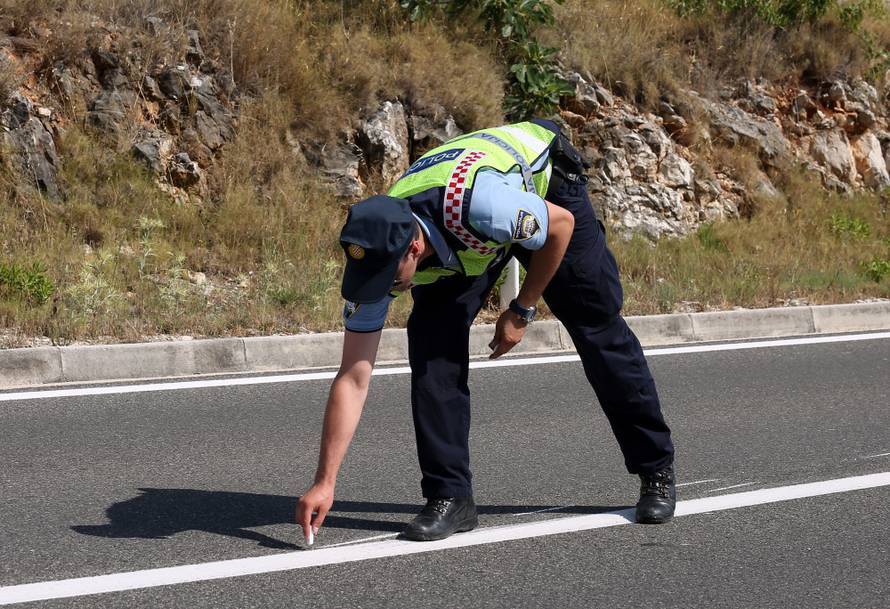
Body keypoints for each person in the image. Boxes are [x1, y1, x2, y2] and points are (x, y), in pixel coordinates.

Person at [296, 119, 675, 543]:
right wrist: (325, 481)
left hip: (543, 189)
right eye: (372, 278)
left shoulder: (480, 206)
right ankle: (450, 497)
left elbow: (559, 226)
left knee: (596, 326)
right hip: (464, 238)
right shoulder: (378, 252)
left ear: (413, 250)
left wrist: (522, 308)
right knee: (432, 352)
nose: (381, 289)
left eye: (388, 277)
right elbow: (353, 376)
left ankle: (654, 468)